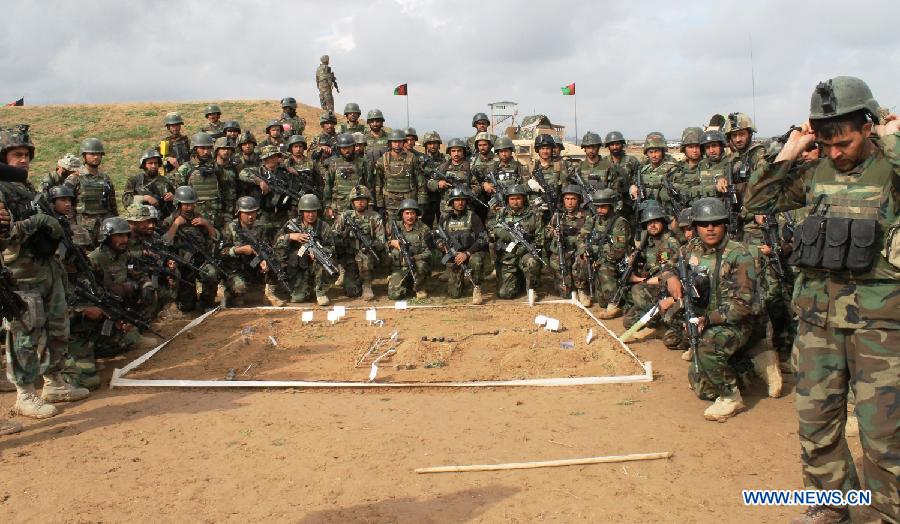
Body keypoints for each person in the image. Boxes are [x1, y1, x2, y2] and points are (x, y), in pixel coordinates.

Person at [744, 76, 899, 524]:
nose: (835, 152)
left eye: (844, 142)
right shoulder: (816, 173)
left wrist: (894, 142)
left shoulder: (891, 170)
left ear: (869, 126)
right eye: (826, 142)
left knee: (884, 435)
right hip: (817, 322)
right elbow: (758, 199)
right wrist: (791, 151)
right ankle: (834, 506)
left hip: (881, 327)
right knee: (816, 425)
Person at [0, 126, 89, 420]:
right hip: (21, 274)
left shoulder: (25, 188)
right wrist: (35, 222)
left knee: (56, 328)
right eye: (17, 155)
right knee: (25, 333)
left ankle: (55, 382)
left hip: (47, 270)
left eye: (26, 155)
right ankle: (25, 394)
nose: (23, 160)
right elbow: (4, 236)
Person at [657, 198, 760, 422]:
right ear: (696, 227)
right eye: (704, 224)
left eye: (715, 223)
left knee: (707, 347)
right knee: (701, 389)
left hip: (733, 323)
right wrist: (670, 277)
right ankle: (743, 369)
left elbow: (744, 305)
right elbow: (666, 264)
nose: (710, 228)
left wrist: (708, 319)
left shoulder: (739, 255)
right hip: (703, 317)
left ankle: (731, 397)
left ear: (724, 225)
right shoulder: (691, 248)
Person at [621, 200, 681, 344]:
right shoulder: (650, 242)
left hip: (666, 286)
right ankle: (656, 321)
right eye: (649, 223)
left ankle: (660, 324)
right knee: (628, 321)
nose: (652, 226)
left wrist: (644, 281)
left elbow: (669, 272)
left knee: (638, 290)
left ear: (663, 222)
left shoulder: (670, 243)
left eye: (656, 222)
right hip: (652, 286)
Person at [162, 186, 220, 312]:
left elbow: (215, 237)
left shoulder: (199, 217)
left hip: (201, 259)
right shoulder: (171, 219)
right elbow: (165, 242)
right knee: (186, 307)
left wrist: (206, 223)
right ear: (178, 204)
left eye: (192, 204)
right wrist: (176, 224)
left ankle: (206, 302)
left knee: (212, 273)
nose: (189, 208)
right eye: (186, 205)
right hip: (182, 264)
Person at [275, 194, 335, 305]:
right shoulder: (292, 224)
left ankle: (320, 292)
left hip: (314, 266)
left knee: (322, 260)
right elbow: (277, 243)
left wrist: (319, 252)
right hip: (297, 265)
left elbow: (331, 248)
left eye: (313, 211)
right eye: (307, 212)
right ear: (301, 212)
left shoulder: (323, 226)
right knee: (298, 299)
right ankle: (303, 289)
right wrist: (292, 237)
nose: (311, 215)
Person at [489, 184, 544, 304]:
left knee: (532, 263)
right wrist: (500, 232)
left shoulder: (533, 214)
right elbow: (491, 231)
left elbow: (540, 239)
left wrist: (525, 248)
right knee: (505, 294)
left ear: (523, 199)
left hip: (526, 253)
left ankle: (531, 287)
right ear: (508, 200)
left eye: (518, 198)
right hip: (507, 256)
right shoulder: (501, 214)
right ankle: (519, 280)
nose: (515, 202)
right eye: (512, 199)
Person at [585, 188, 633, 319]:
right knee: (581, 262)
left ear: (611, 206)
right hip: (599, 257)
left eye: (603, 207)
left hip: (617, 262)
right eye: (597, 207)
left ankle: (614, 304)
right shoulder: (595, 220)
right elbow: (583, 236)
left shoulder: (619, 223)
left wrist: (599, 261)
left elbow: (618, 250)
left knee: (604, 269)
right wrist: (584, 251)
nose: (600, 210)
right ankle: (585, 293)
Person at [435, 187, 488, 304]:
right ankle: (461, 280)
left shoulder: (472, 216)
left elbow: (483, 238)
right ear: (452, 202)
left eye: (463, 200)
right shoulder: (445, 218)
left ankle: (476, 287)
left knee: (477, 261)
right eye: (457, 200)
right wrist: (441, 244)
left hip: (471, 253)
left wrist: (467, 253)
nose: (460, 203)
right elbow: (437, 236)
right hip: (454, 255)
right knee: (454, 294)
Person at [331, 186, 385, 300]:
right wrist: (345, 234)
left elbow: (381, 240)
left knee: (365, 257)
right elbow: (333, 235)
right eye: (357, 200)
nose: (360, 202)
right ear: (352, 202)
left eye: (362, 199)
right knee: (351, 292)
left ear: (367, 201)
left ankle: (367, 285)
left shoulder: (375, 217)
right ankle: (347, 274)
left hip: (367, 255)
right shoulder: (345, 216)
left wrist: (370, 245)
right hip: (349, 256)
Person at [219, 197, 270, 307]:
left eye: (253, 212)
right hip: (235, 268)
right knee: (239, 292)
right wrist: (238, 250)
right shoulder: (231, 227)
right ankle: (230, 293)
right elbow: (221, 252)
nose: (251, 216)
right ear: (239, 213)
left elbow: (267, 247)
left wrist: (263, 260)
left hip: (254, 265)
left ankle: (270, 291)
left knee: (273, 264)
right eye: (247, 213)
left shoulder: (261, 227)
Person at [66, 137, 118, 245]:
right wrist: (73, 226)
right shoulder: (74, 178)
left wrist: (115, 222)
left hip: (104, 227)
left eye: (99, 154)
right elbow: (67, 204)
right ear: (84, 155)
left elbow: (112, 204)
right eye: (92, 154)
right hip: (83, 228)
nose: (96, 157)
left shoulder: (106, 179)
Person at [547, 185, 591, 304]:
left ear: (579, 200)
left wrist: (579, 246)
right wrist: (554, 233)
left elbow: (587, 234)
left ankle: (582, 289)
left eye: (573, 199)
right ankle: (566, 283)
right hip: (563, 250)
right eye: (567, 199)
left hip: (578, 249)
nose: (570, 202)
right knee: (565, 293)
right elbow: (547, 230)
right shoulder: (557, 215)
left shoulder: (586, 215)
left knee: (582, 260)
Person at [385, 199, 433, 300]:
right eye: (407, 213)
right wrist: (390, 242)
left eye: (412, 213)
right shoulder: (394, 227)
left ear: (416, 214)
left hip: (416, 266)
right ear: (402, 214)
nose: (410, 216)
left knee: (422, 265)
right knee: (394, 295)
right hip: (399, 267)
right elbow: (381, 244)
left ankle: (420, 286)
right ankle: (403, 282)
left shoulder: (424, 229)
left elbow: (429, 252)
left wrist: (414, 258)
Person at [374, 129, 426, 217]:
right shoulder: (383, 159)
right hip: (389, 203)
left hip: (408, 201)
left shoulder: (412, 158)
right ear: (390, 143)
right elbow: (378, 184)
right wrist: (380, 205)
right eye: (394, 142)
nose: (397, 145)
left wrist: (421, 202)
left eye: (399, 142)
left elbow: (420, 182)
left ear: (403, 142)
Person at [122, 148, 176, 220]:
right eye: (150, 163)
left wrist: (173, 197)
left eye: (155, 163)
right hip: (140, 220)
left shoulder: (166, 181)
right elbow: (126, 200)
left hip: (162, 220)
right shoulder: (134, 180)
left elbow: (178, 202)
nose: (153, 166)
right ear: (144, 165)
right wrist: (145, 198)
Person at [323, 133, 366, 220]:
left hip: (358, 207)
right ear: (339, 149)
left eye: (349, 147)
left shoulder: (362, 163)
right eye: (344, 148)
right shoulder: (334, 163)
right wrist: (328, 206)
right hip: (339, 207)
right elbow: (328, 185)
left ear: (354, 147)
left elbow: (369, 184)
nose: (347, 150)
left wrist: (370, 205)